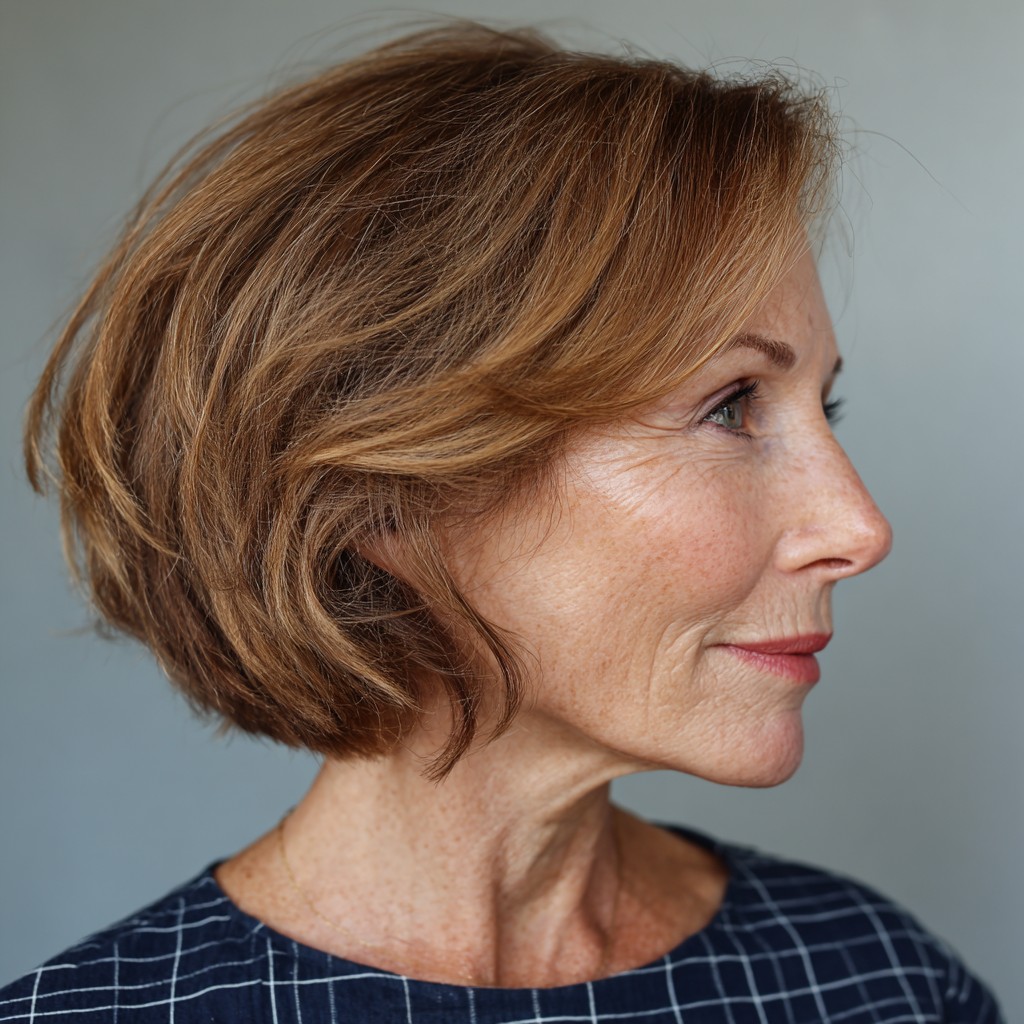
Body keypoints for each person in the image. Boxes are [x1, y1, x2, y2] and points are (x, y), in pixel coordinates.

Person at [1, 20, 1003, 1023]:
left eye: (825, 406)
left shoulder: (884, 985)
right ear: (387, 490)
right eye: (730, 406)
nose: (859, 529)